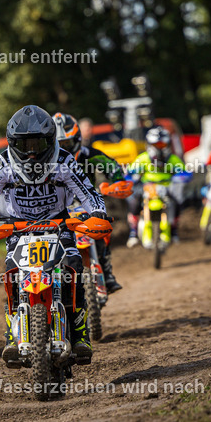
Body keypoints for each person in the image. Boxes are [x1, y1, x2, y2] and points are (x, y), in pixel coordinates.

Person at [0, 105, 110, 362]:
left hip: (59, 225)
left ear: (51, 141)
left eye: (38, 144)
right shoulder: (3, 163)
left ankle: (79, 333)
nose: (32, 152)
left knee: (74, 267)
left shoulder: (64, 160)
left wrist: (98, 212)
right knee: (12, 273)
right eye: (25, 145)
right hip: (18, 228)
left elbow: (88, 191)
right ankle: (13, 333)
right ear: (13, 143)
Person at [52, 111, 126, 293]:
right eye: (59, 144)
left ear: (77, 139)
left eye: (67, 143)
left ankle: (106, 272)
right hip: (57, 208)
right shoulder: (45, 162)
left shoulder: (89, 154)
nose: (64, 149)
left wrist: (115, 182)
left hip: (87, 204)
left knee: (101, 229)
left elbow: (113, 167)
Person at [126, 126, 187, 247]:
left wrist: (180, 177)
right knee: (134, 202)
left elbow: (184, 172)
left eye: (162, 145)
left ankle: (174, 229)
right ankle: (133, 232)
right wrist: (131, 178)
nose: (159, 148)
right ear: (149, 144)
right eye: (156, 145)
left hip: (167, 186)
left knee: (177, 202)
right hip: (147, 186)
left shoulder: (172, 159)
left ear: (168, 145)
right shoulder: (143, 158)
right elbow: (129, 172)